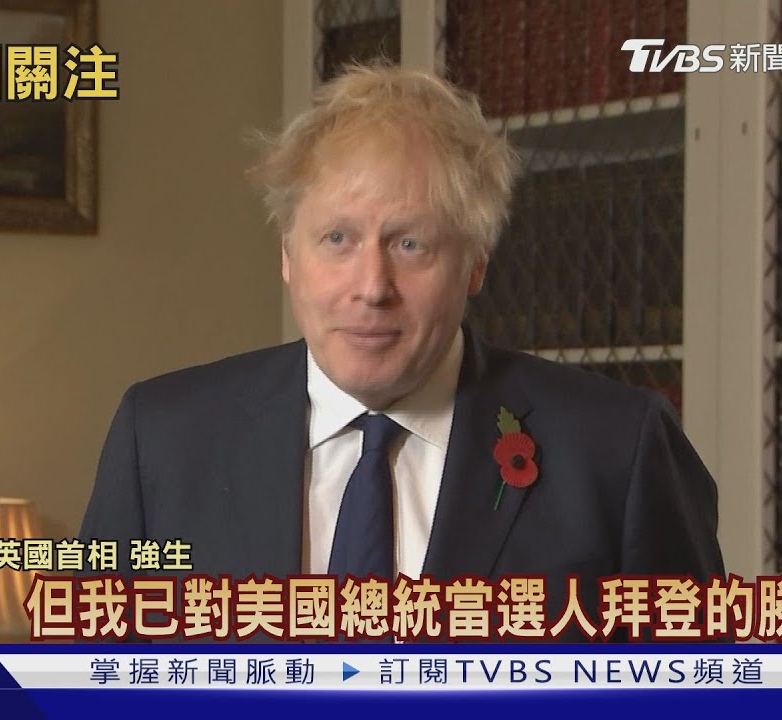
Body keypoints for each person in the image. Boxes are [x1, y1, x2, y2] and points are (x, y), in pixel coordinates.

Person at [79, 62, 724, 642]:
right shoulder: (161, 438)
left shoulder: (617, 449)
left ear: (475, 262)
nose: (372, 287)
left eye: (411, 244)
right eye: (337, 238)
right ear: (287, 254)